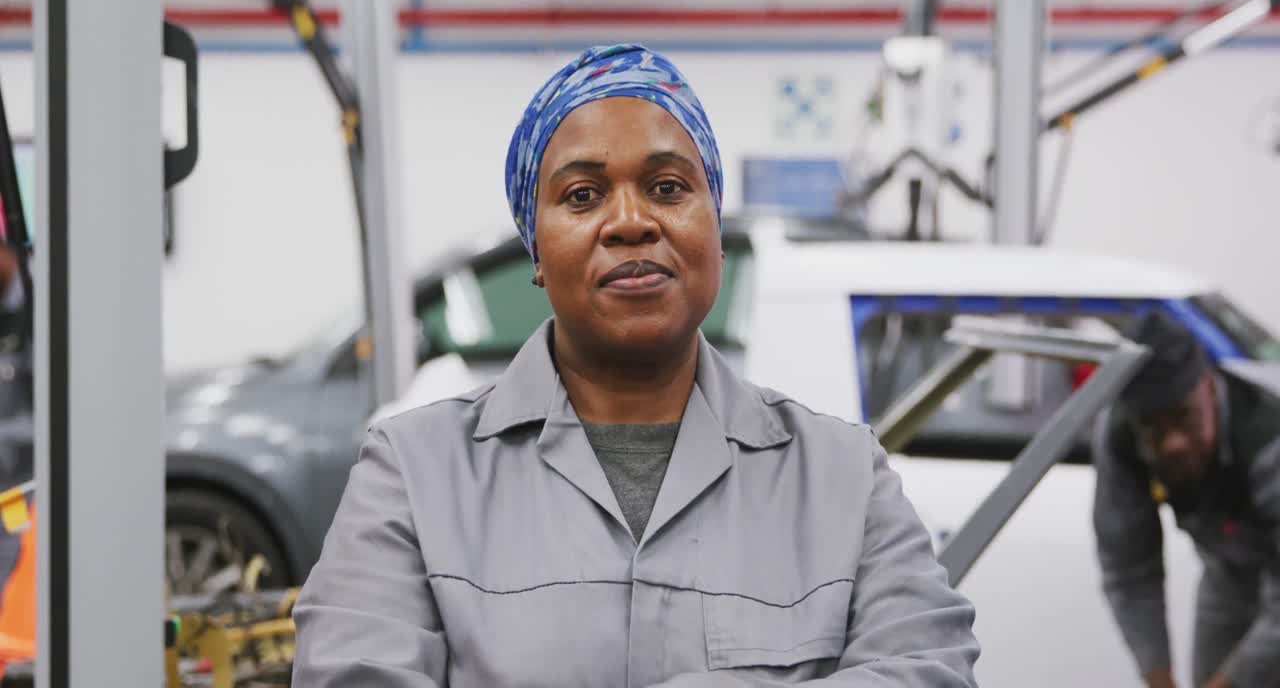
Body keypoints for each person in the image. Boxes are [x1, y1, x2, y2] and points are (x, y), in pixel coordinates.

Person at [293, 44, 979, 687]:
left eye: (668, 187)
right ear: (536, 249)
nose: (630, 221)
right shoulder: (413, 475)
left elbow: (929, 668)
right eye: (582, 196)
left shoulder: (844, 478)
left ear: (714, 227)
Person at [1092, 311, 1280, 688]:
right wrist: (1159, 679)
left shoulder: (1268, 437)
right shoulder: (1120, 437)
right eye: (1153, 429)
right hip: (1228, 573)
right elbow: (1129, 571)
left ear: (1209, 388)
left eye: (1183, 417)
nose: (1173, 444)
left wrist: (1229, 683)